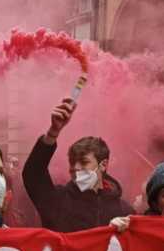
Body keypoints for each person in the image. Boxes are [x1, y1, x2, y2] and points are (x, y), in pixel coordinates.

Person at [23, 98, 134, 232]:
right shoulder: (56, 201)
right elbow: (33, 174)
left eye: (84, 162)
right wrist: (53, 132)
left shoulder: (124, 211)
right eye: (72, 162)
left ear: (103, 165)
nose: (75, 167)